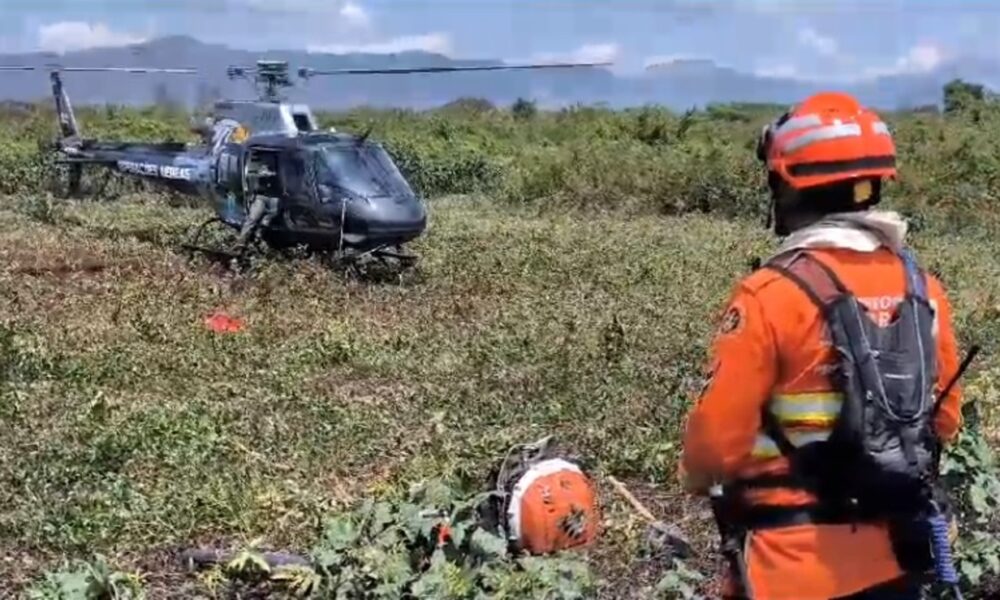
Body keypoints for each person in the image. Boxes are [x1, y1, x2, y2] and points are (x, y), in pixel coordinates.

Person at [678, 91, 964, 600]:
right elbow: (944, 421)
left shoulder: (769, 295)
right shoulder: (924, 288)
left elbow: (712, 448)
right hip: (898, 559)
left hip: (791, 568)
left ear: (787, 187)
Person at [235, 159, 281, 251]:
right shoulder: (259, 170)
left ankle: (258, 236)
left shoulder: (282, 168)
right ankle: (241, 242)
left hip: (274, 197)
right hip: (261, 196)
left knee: (270, 216)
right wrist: (267, 174)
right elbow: (260, 176)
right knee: (253, 218)